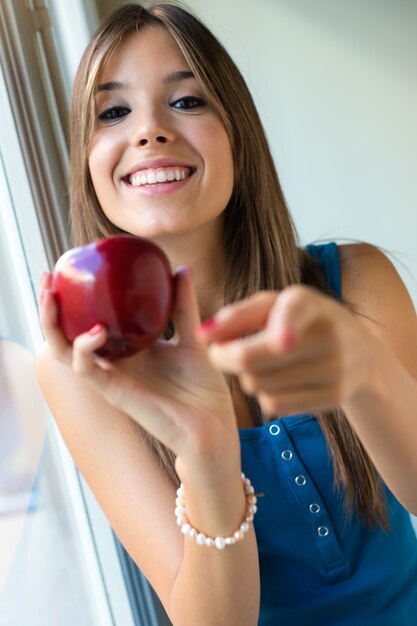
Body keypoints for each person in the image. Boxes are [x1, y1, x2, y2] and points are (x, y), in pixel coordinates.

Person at [36, 3, 417, 624]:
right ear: (87, 160)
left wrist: (362, 366)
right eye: (113, 112)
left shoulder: (358, 280)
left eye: (186, 101)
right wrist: (207, 451)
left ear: (237, 133)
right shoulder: (83, 368)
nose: (149, 130)